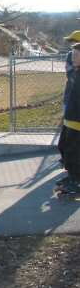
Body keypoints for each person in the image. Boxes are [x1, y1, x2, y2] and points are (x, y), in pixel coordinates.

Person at [57, 31, 80, 194]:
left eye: (76, 52)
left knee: (74, 152)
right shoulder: (76, 72)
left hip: (77, 120)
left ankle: (76, 180)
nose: (72, 55)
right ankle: (72, 175)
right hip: (70, 117)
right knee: (64, 147)